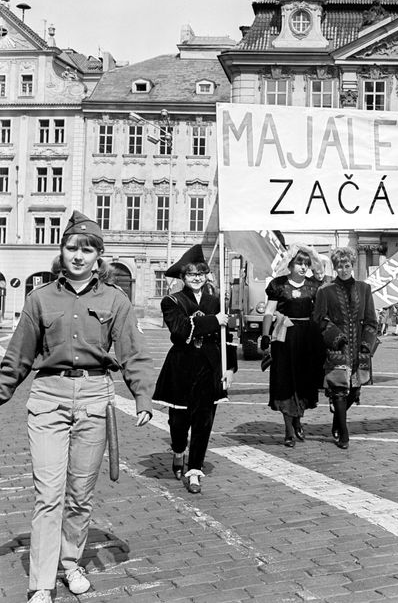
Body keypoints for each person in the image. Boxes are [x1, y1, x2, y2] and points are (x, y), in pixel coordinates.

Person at [0, 210, 155, 602]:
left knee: (80, 493)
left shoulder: (115, 300)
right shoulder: (39, 299)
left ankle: (70, 564)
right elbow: (18, 358)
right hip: (48, 397)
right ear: (62, 252)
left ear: (98, 256)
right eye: (72, 248)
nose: (79, 256)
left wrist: (142, 397)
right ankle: (41, 583)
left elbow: (133, 353)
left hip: (94, 398)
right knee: (48, 493)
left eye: (88, 250)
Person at [153, 244, 237, 492]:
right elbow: (180, 330)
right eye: (191, 274)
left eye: (201, 273)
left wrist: (230, 368)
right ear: (183, 277)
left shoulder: (217, 301)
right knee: (179, 422)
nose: (197, 278)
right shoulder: (171, 301)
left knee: (204, 421)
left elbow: (227, 338)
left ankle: (194, 470)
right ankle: (178, 450)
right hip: (181, 367)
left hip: (209, 367)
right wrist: (213, 321)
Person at [312, 247, 378, 449]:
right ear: (335, 267)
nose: (343, 270)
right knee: (339, 390)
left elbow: (371, 321)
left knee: (353, 391)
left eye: (347, 265)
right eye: (339, 266)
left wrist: (367, 344)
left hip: (359, 347)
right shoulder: (325, 290)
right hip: (336, 348)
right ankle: (344, 433)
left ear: (352, 265)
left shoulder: (364, 289)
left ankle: (337, 421)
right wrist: (336, 337)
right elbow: (319, 319)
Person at [260, 244, 325, 448]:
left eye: (306, 263)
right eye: (299, 263)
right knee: (285, 382)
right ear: (290, 264)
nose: (303, 267)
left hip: (308, 338)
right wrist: (265, 335)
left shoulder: (314, 286)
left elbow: (321, 313)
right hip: (284, 337)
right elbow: (269, 311)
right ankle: (289, 428)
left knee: (304, 381)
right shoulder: (278, 285)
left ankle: (298, 419)